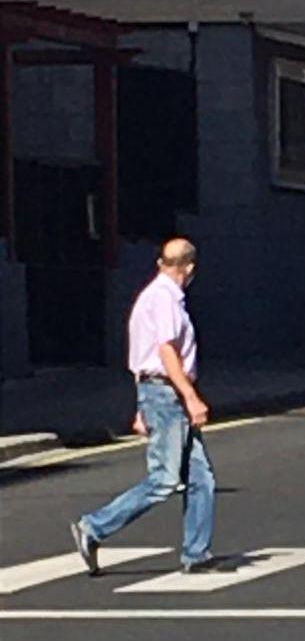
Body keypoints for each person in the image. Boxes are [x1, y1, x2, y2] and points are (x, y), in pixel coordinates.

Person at [71, 238, 216, 575]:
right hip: (167, 394)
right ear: (190, 268)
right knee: (164, 480)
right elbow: (165, 352)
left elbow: (141, 357)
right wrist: (191, 397)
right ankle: (93, 527)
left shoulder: (151, 297)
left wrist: (142, 406)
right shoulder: (164, 299)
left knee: (202, 479)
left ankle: (197, 554)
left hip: (159, 393)